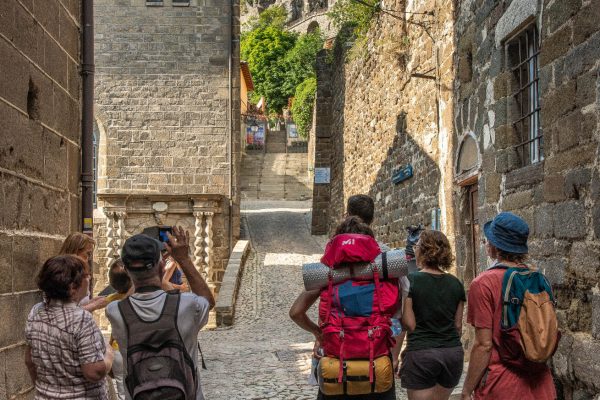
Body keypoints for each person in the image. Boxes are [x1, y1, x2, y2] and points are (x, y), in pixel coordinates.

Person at [290, 216, 399, 399]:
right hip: (376, 368)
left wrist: (318, 333)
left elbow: (296, 312)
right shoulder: (384, 275)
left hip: (337, 370)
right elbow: (397, 317)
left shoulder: (327, 276)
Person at [106, 226, 215, 400]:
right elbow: (208, 300)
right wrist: (183, 259)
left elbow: (129, 295)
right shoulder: (186, 305)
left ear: (126, 270)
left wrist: (137, 273)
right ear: (162, 265)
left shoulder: (115, 311)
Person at [461, 212, 556, 399]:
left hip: (501, 385)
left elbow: (483, 345)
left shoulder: (483, 283)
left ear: (495, 246)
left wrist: (466, 390)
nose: (486, 242)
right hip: (541, 385)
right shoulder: (537, 279)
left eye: (488, 239)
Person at [25, 255, 114, 399]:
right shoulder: (81, 319)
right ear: (73, 287)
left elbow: (29, 361)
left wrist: (47, 390)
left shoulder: (36, 314)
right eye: (86, 276)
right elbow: (94, 372)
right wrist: (109, 354)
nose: (89, 278)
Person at [400, 230, 466, 400]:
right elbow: (458, 326)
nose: (414, 249)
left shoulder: (410, 280)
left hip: (422, 354)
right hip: (452, 354)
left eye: (416, 246)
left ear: (422, 250)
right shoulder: (456, 283)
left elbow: (408, 323)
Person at [105, 258, 132, 400]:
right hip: (133, 348)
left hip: (116, 349)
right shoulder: (136, 299)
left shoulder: (111, 300)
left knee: (121, 388)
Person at [59, 232, 107, 312]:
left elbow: (78, 304)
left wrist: (93, 301)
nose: (88, 259)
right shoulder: (60, 274)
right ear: (75, 251)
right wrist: (94, 305)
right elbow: (65, 312)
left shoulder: (76, 272)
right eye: (87, 254)